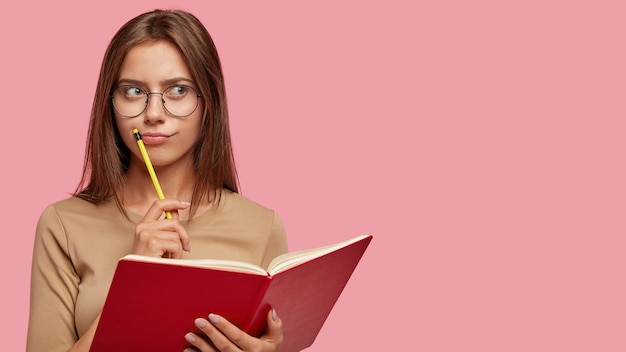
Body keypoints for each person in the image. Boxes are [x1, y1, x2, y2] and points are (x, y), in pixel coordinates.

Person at [26, 9, 288, 352]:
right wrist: (134, 282)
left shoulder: (261, 226)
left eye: (178, 90)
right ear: (111, 103)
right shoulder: (62, 225)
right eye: (133, 91)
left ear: (208, 103)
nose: (153, 113)